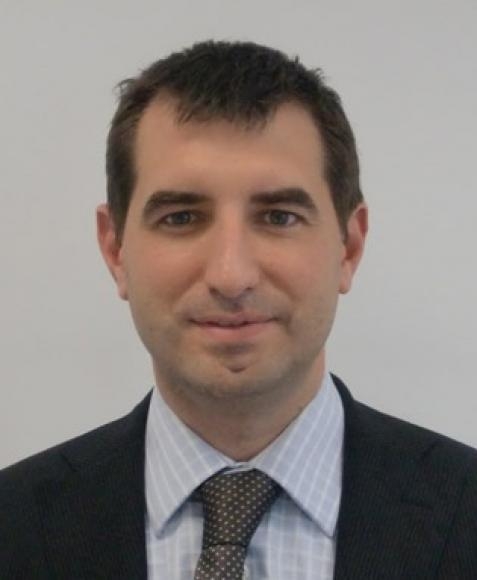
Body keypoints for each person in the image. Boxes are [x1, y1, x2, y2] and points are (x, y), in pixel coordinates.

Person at [1, 40, 476, 580]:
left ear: (348, 247)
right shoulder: (14, 525)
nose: (231, 275)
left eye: (278, 217)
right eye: (181, 218)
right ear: (115, 250)